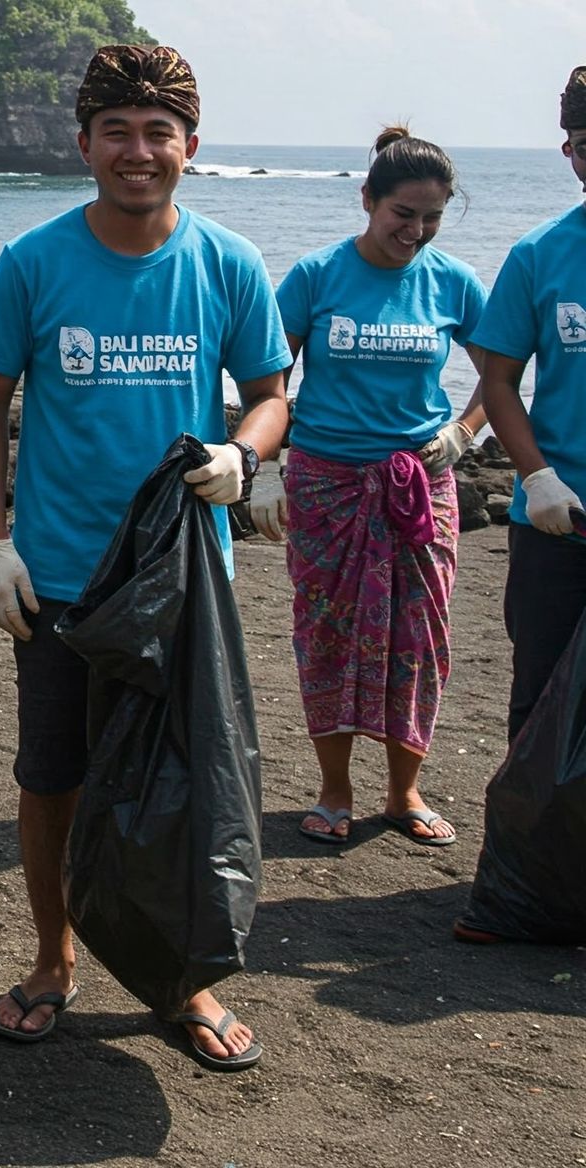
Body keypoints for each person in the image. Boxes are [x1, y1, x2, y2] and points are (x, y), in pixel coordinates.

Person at [0, 45, 288, 1069]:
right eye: (116, 132)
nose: (136, 152)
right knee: (51, 774)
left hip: (183, 583)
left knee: (187, 783)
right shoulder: (33, 261)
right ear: (82, 144)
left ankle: (178, 979)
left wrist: (246, 452)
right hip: (58, 577)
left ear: (190, 147)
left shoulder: (226, 262)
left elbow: (273, 390)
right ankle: (53, 960)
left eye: (157, 134)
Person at [251, 127, 487, 848]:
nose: (415, 232)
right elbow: (268, 374)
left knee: (420, 638)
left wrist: (463, 433)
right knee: (326, 634)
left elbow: (499, 375)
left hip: (421, 486)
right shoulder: (317, 276)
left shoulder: (453, 281)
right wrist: (266, 463)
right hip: (326, 483)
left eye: (431, 219)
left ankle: (403, 790)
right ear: (368, 200)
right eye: (402, 215)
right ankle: (333, 789)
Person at [470, 64, 586, 746]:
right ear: (570, 151)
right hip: (558, 526)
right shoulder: (540, 254)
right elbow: (501, 380)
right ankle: (535, 854)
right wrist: (536, 477)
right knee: (541, 707)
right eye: (585, 139)